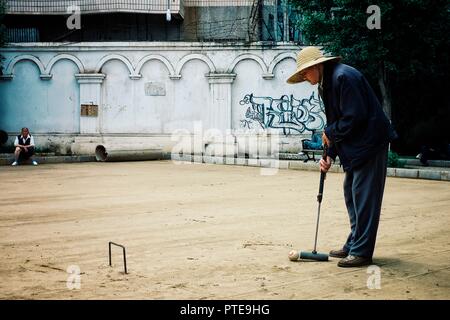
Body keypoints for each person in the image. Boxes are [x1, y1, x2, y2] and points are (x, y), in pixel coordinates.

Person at [287, 46, 397, 267]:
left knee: (363, 196)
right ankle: (355, 242)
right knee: (351, 192)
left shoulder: (343, 77)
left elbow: (355, 116)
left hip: (370, 144)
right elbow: (336, 121)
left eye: (305, 73)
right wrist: (329, 155)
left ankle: (361, 252)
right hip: (357, 146)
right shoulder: (326, 84)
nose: (305, 78)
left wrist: (330, 133)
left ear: (316, 66)